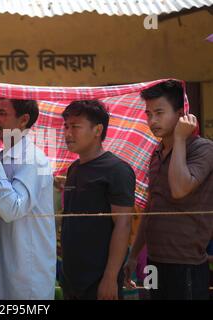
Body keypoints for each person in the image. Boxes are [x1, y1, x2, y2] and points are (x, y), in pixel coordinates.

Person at [124, 80, 213, 300]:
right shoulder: (156, 153)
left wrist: (181, 138)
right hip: (154, 261)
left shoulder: (203, 149)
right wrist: (134, 255)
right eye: (148, 114)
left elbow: (180, 189)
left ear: (181, 114)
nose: (152, 120)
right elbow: (152, 208)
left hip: (186, 264)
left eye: (159, 113)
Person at [61, 100, 135, 300]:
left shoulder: (117, 170)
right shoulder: (73, 169)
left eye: (75, 126)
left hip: (99, 279)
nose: (68, 133)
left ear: (98, 130)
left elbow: (123, 224)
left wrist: (110, 278)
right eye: (66, 126)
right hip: (71, 278)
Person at [0, 98, 56, 299]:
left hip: (27, 279)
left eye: (2, 113)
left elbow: (11, 209)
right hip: (2, 272)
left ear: (23, 120)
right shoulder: (0, 158)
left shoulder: (34, 159)